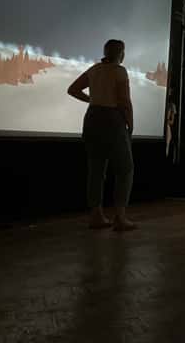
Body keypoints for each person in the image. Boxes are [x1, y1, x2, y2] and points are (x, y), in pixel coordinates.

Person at [67, 39, 137, 231]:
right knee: (125, 168)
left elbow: (72, 89)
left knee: (96, 168)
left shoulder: (94, 69)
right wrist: (130, 123)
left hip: (92, 118)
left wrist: (92, 99)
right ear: (121, 53)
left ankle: (96, 215)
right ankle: (120, 217)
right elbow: (124, 101)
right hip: (112, 119)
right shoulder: (119, 71)